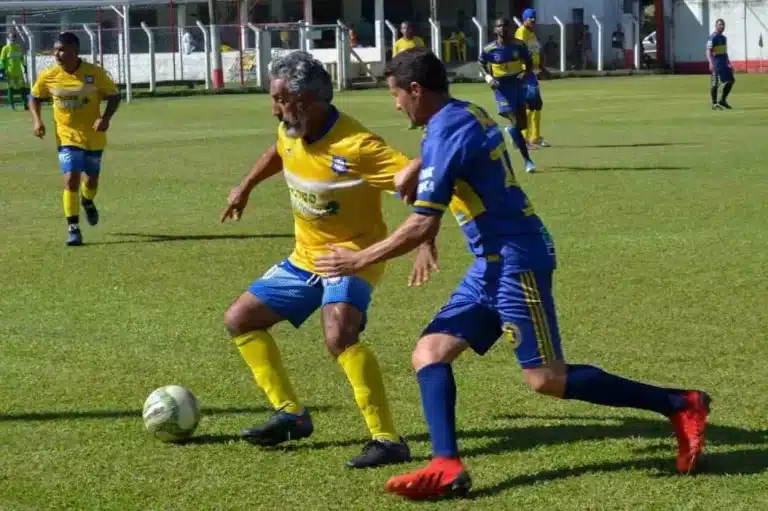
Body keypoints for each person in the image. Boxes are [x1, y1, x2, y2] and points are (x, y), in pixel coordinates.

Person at [315, 47, 711, 499]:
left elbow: (424, 218)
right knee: (430, 352)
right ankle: (446, 466)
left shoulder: (445, 131)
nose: (396, 104)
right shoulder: (461, 113)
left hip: (517, 259)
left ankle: (680, 404)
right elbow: (453, 159)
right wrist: (416, 166)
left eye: (396, 95)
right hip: (489, 264)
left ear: (417, 90)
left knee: (545, 379)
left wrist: (357, 260)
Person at [220, 50, 426, 469]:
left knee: (338, 334)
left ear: (308, 100)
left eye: (280, 98)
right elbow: (280, 151)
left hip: (354, 255)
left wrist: (426, 235)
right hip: (304, 258)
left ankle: (387, 440)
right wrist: (246, 186)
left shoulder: (359, 145)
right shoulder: (291, 128)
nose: (273, 107)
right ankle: (291, 415)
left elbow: (418, 178)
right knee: (240, 319)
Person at [29, 32, 121, 246]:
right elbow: (34, 97)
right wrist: (37, 121)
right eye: (55, 50)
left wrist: (105, 118)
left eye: (62, 50)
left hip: (93, 135)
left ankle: (87, 201)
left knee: (91, 181)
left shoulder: (94, 73)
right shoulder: (49, 75)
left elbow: (114, 96)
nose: (57, 54)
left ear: (74, 52)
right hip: (66, 136)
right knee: (71, 179)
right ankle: (73, 228)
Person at [478, 17, 537, 173]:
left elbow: (529, 60)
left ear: (510, 28)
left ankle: (512, 132)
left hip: (517, 84)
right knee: (515, 121)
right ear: (495, 29)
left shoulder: (519, 45)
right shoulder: (489, 49)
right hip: (501, 88)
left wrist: (526, 72)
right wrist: (488, 77)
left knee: (522, 124)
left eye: (505, 26)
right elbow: (481, 63)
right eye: (499, 26)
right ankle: (528, 161)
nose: (502, 29)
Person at [515, 9, 551, 147]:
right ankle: (523, 139)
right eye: (530, 18)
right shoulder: (521, 32)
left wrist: (542, 68)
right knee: (529, 105)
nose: (533, 21)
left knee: (536, 106)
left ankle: (535, 137)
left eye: (534, 18)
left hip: (532, 74)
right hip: (524, 73)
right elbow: (518, 52)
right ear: (524, 19)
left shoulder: (532, 34)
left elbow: (536, 51)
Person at [393, 21, 425, 130]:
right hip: (404, 75)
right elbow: (395, 60)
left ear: (412, 29)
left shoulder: (418, 41)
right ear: (401, 30)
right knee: (405, 99)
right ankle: (412, 121)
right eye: (404, 28)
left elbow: (423, 55)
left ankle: (423, 122)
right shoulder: (398, 44)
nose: (406, 30)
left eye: (408, 28)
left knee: (419, 98)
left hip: (416, 73)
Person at [707, 19, 734, 109]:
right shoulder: (713, 37)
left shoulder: (723, 38)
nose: (722, 26)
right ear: (716, 26)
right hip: (716, 63)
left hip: (724, 63)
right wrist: (710, 62)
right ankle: (714, 104)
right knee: (715, 83)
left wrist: (729, 63)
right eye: (720, 25)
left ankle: (722, 100)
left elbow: (724, 52)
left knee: (731, 80)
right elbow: (708, 51)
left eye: (723, 25)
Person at [0, 31, 29, 111]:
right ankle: (12, 106)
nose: (12, 39)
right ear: (8, 38)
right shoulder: (5, 48)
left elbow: (21, 58)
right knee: (11, 89)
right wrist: (2, 71)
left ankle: (25, 104)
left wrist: (25, 66)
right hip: (10, 73)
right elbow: (2, 61)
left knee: (22, 88)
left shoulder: (18, 47)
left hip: (19, 72)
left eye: (14, 38)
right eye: (11, 38)